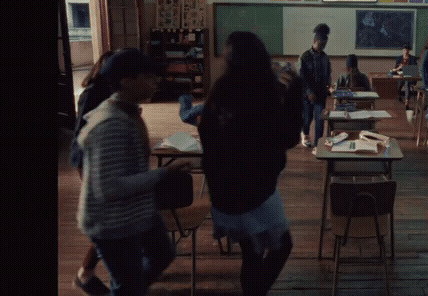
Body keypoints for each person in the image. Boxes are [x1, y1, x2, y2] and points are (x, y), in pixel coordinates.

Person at [198, 31, 302, 296]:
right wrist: (293, 94)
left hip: (223, 192)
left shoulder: (220, 89)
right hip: (255, 192)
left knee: (251, 252)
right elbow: (288, 138)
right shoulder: (263, 92)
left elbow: (206, 134)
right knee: (282, 246)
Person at [76, 48, 187, 296]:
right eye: (148, 78)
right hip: (111, 221)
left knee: (162, 254)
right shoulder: (111, 124)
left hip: (136, 210)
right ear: (126, 81)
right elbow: (110, 188)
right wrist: (164, 174)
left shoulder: (128, 111)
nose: (155, 83)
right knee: (130, 285)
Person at [70, 51, 114, 296]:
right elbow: (81, 135)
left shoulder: (110, 92)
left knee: (108, 218)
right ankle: (85, 273)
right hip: (89, 161)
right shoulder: (93, 94)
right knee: (105, 219)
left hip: (102, 162)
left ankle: (88, 271)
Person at [297, 23, 332, 147]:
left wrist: (329, 85)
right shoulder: (305, 57)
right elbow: (302, 77)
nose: (322, 47)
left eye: (324, 45)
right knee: (307, 119)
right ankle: (305, 135)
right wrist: (308, 92)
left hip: (321, 94)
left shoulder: (325, 58)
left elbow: (328, 74)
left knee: (320, 120)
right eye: (321, 44)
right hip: (307, 95)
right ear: (314, 41)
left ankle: (318, 145)